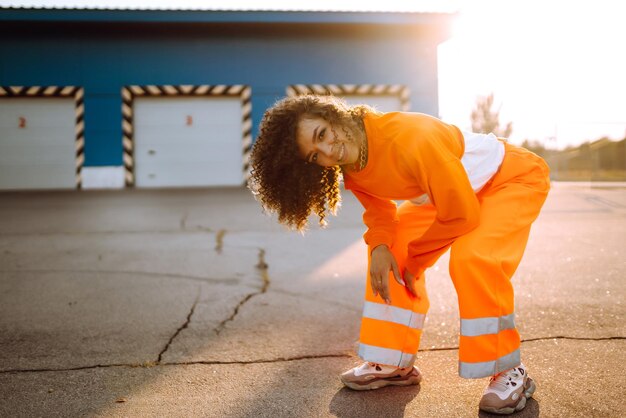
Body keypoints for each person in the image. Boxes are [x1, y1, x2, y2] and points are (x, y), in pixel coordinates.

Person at [248, 94, 550, 415]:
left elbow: (461, 215)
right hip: (447, 194)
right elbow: (379, 210)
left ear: (333, 115)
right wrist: (379, 245)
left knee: (472, 259)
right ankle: (392, 362)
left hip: (509, 178)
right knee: (389, 253)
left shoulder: (408, 137)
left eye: (321, 134)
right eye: (313, 156)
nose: (326, 152)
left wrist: (417, 259)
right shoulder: (352, 163)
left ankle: (509, 369)